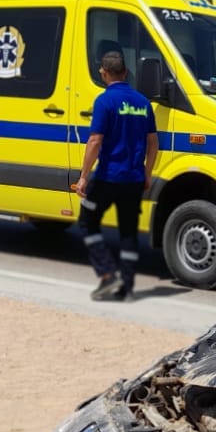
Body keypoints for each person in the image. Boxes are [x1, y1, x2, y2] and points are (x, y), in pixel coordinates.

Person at [71, 50, 158, 302]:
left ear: (104, 73)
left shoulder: (104, 101)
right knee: (128, 232)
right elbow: (153, 143)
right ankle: (126, 288)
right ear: (126, 72)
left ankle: (108, 274)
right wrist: (147, 173)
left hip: (108, 178)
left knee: (87, 221)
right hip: (134, 179)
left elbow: (95, 140)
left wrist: (84, 176)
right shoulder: (143, 103)